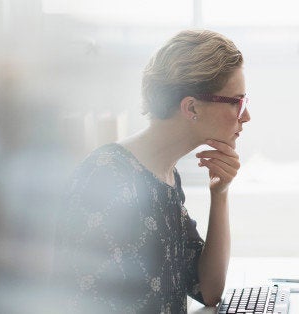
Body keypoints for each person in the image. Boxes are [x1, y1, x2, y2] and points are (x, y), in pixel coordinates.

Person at [53, 29, 250, 313]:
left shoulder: (166, 176)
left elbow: (208, 290)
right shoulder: (107, 177)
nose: (246, 116)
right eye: (237, 102)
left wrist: (220, 194)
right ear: (191, 107)